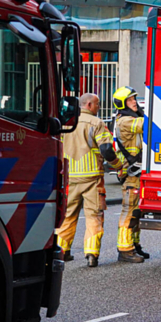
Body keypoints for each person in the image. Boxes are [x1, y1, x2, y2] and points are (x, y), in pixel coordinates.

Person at [55, 93, 124, 268]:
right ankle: (91, 254)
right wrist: (117, 165)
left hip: (69, 178)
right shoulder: (97, 123)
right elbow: (107, 150)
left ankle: (63, 251)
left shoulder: (66, 122)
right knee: (94, 216)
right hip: (92, 179)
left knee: (67, 216)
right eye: (98, 104)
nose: (99, 107)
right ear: (90, 104)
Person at [112, 86, 148, 262]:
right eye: (130, 100)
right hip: (131, 175)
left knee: (137, 212)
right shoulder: (125, 121)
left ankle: (134, 245)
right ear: (122, 104)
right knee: (129, 211)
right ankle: (125, 250)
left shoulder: (131, 117)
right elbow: (147, 125)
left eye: (134, 98)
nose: (134, 102)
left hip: (137, 173)